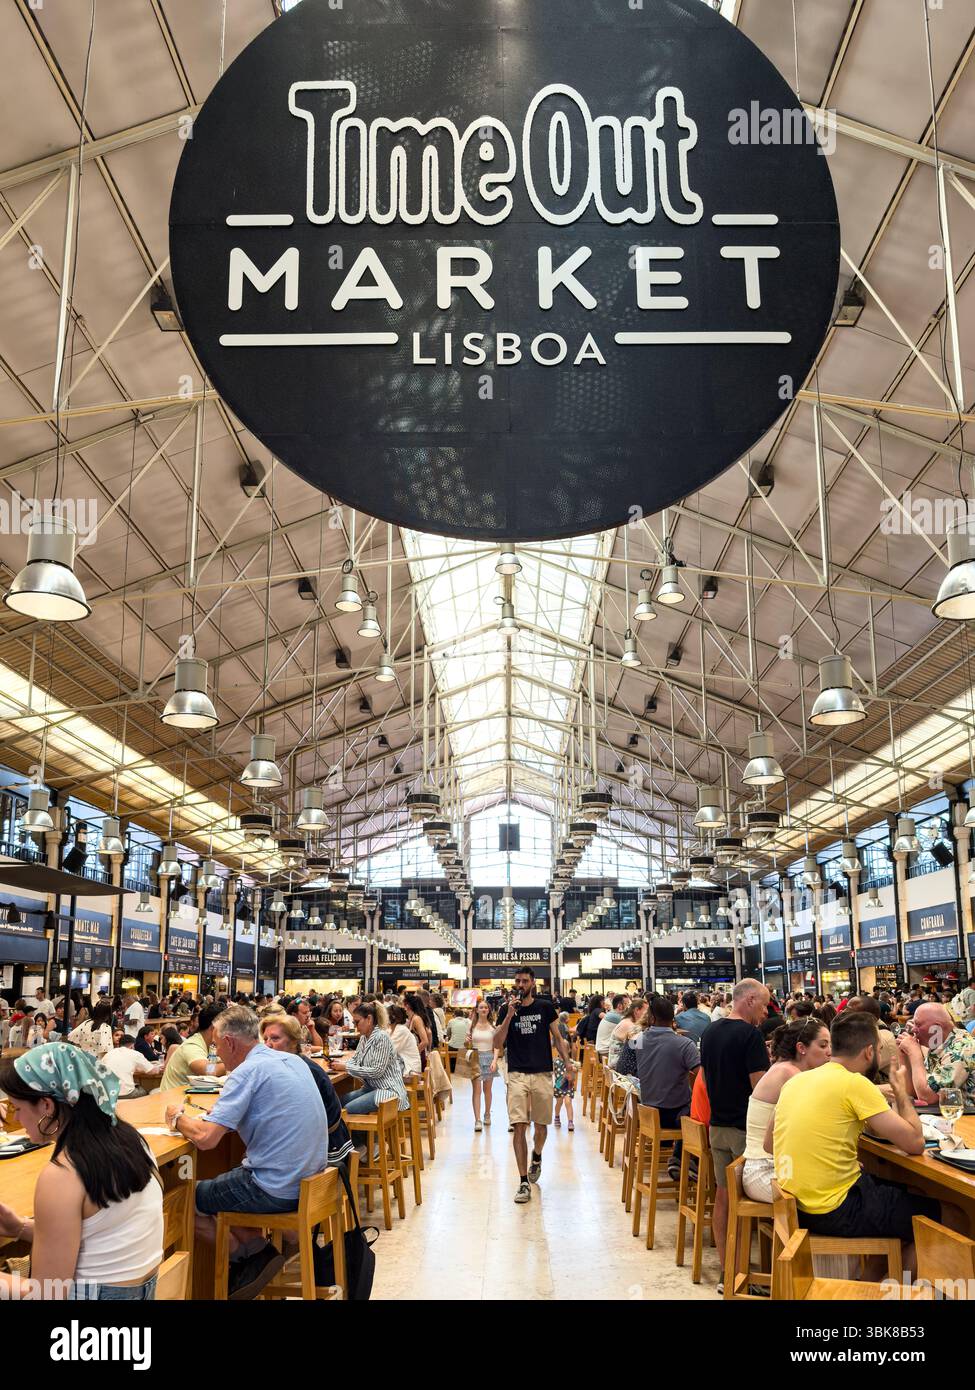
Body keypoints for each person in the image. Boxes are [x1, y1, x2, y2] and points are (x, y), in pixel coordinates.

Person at [771, 1011, 963, 1274]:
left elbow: (770, 1143)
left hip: (797, 1203)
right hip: (834, 1208)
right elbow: (915, 1143)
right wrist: (899, 1089)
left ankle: (871, 1284)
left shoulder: (797, 1080)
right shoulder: (854, 1084)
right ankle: (909, 1292)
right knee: (953, 1214)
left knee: (915, 1195)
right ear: (870, 1052)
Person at [165, 1005, 328, 1300]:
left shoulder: (247, 1071)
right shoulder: (292, 1061)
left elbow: (205, 1139)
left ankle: (246, 1258)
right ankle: (257, 1253)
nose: (217, 1054)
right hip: (310, 1181)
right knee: (228, 1182)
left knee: (186, 1200)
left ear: (229, 1042)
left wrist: (177, 1118)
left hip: (275, 1187)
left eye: (216, 1046)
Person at [0, 1043, 163, 1299]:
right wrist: (20, 1227)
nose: (18, 1120)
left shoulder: (62, 1175)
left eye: (17, 1109)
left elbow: (46, 1295)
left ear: (46, 1105)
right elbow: (99, 1239)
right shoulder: (132, 1141)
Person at [699, 978, 770, 1280]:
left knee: (723, 1196)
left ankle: (729, 1271)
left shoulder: (710, 1031)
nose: (766, 1011)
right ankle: (767, 1269)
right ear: (750, 999)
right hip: (745, 1131)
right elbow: (760, 1089)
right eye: (765, 1003)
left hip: (718, 1127)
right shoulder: (750, 1035)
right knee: (751, 1201)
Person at [492, 966, 575, 1204]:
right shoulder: (506, 1010)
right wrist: (508, 1015)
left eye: (525, 981)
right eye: (517, 980)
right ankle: (522, 1182)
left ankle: (536, 1156)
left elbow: (558, 1039)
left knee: (541, 1126)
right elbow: (498, 1042)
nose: (520, 984)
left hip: (542, 1073)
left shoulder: (545, 1007)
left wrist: (568, 1064)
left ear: (533, 983)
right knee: (519, 1126)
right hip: (517, 1074)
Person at [742, 1019, 831, 1202]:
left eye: (831, 1044)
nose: (830, 1051)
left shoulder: (785, 1069)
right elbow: (831, 1097)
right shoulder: (789, 1073)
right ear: (801, 1048)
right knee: (834, 1192)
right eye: (823, 1045)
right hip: (765, 1173)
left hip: (772, 1167)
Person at [260, 1014, 353, 1168]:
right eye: (265, 1039)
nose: (268, 1045)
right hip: (320, 1144)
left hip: (325, 1152)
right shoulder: (294, 1063)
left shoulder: (300, 1070)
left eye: (275, 1039)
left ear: (294, 1041)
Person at [634, 995, 701, 1177]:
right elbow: (701, 1077)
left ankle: (680, 1159)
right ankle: (684, 1160)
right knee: (698, 1113)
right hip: (674, 1115)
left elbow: (629, 1053)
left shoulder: (638, 1040)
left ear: (651, 1018)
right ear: (673, 1019)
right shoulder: (685, 1044)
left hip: (648, 1111)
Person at [329, 1001, 409, 1115]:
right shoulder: (364, 1037)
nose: (356, 1026)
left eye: (357, 1022)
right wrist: (341, 1063)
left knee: (348, 1109)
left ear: (369, 1019)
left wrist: (346, 1067)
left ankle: (359, 1133)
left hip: (389, 1090)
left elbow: (376, 1072)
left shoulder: (381, 1037)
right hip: (372, 1088)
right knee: (340, 1102)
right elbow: (355, 1059)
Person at [897, 1002, 975, 1102]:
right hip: (947, 1113)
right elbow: (912, 1091)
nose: (913, 1029)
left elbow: (927, 1097)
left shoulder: (961, 1048)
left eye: (918, 1024)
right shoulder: (939, 1044)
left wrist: (914, 1053)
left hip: (967, 1115)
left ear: (937, 1028)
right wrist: (904, 1056)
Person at [160, 1002, 225, 1090]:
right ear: (213, 1028)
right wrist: (235, 1064)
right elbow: (208, 1070)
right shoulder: (192, 1045)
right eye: (225, 1027)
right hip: (172, 1099)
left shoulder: (208, 1044)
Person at [466, 999, 498, 1132]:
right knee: (476, 1090)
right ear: (477, 1010)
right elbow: (466, 1045)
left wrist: (495, 1061)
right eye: (481, 1007)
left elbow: (497, 1046)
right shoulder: (471, 1026)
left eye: (486, 1007)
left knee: (487, 1090)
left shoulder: (493, 1026)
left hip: (489, 1057)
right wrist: (466, 1041)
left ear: (489, 1010)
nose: (484, 1009)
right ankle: (477, 1119)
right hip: (475, 1058)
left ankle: (487, 1114)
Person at [101, 1035, 162, 1099]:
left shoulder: (108, 1054)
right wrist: (159, 1068)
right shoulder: (135, 1053)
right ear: (132, 1046)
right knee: (144, 1091)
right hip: (125, 1094)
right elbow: (152, 1071)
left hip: (107, 1093)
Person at [608, 997, 648, 1068]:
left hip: (616, 1062)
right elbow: (637, 1048)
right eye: (646, 1012)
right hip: (617, 1066)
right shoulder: (629, 1025)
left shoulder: (626, 1021)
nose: (648, 1015)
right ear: (636, 1010)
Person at [387, 1004, 423, 1076]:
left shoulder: (401, 1030)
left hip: (411, 1070)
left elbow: (388, 1051)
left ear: (393, 1017)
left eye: (385, 1015)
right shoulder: (391, 1030)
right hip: (404, 1067)